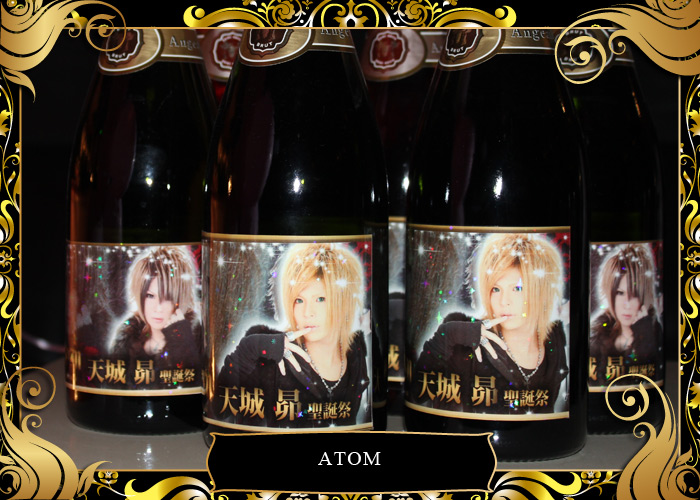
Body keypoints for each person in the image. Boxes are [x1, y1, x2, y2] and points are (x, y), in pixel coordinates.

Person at [409, 233, 569, 414]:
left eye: (517, 288)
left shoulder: (554, 341)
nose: (504, 301)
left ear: (541, 290)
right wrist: (449, 334)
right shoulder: (465, 341)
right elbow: (418, 392)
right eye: (496, 289)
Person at [216, 242, 371, 428]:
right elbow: (219, 406)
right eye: (299, 300)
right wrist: (250, 349)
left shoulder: (355, 354)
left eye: (320, 299)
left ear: (344, 301)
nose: (308, 312)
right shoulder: (271, 356)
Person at [110, 246, 202, 388]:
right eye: (150, 296)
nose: (158, 308)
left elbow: (196, 387)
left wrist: (181, 344)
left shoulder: (196, 341)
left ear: (180, 298)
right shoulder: (125, 340)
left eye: (168, 297)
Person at [589, 243, 662, 386]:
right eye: (620, 293)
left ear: (645, 294)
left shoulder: (653, 335)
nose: (626, 304)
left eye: (634, 294)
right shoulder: (596, 339)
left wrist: (643, 335)